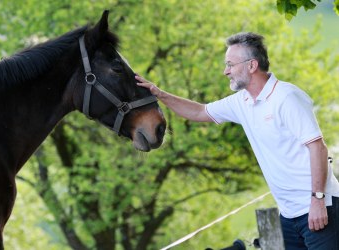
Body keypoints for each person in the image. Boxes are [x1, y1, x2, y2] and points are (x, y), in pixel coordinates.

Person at [136, 32, 339, 250]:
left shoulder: (286, 97)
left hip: (320, 207)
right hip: (288, 216)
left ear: (252, 65)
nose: (226, 71)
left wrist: (317, 199)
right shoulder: (241, 101)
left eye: (230, 64)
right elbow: (200, 112)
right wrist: (160, 94)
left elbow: (317, 147)